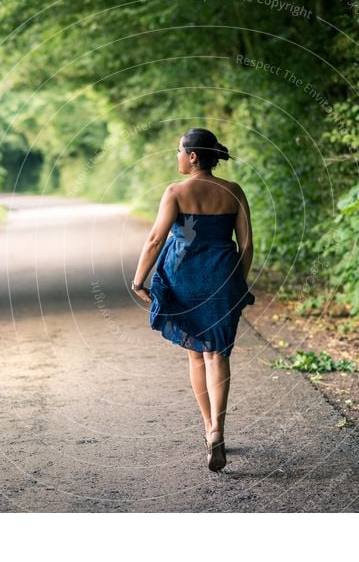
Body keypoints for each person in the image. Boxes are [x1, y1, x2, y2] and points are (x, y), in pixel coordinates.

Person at [131, 128, 255, 472]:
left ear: (193, 156)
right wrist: (237, 284)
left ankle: (207, 428)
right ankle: (219, 427)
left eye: (179, 151)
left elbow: (156, 239)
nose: (177, 157)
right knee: (219, 354)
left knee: (197, 355)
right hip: (222, 278)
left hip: (183, 279)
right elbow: (245, 245)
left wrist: (139, 279)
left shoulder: (175, 192)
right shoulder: (233, 191)